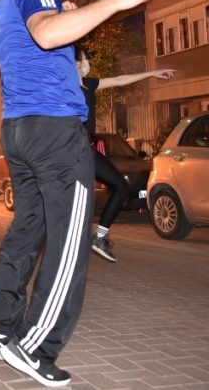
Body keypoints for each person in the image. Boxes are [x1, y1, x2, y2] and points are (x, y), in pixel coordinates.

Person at [0, 0, 149, 387]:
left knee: (27, 230)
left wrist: (69, 14)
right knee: (71, 242)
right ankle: (32, 346)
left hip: (20, 129)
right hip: (53, 131)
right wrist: (115, 1)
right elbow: (48, 36)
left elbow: (43, 39)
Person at [75, 47, 174, 262]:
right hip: (73, 148)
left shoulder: (89, 84)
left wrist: (151, 74)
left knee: (120, 186)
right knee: (81, 198)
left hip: (87, 148)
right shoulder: (64, 86)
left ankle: (99, 237)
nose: (88, 63)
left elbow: (120, 79)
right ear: (74, 63)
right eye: (85, 60)